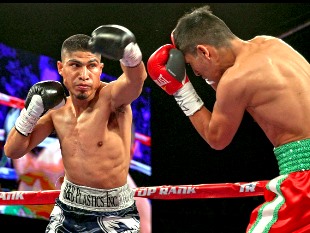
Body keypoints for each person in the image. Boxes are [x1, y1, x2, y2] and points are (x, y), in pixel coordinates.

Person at [147, 5, 310, 233]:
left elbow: (217, 138)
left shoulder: (236, 79)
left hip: (304, 174)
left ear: (204, 52)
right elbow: (233, 95)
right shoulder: (271, 44)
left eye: (192, 66)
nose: (195, 74)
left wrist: (181, 90)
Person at [4, 24, 147, 232]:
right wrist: (31, 112)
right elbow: (13, 151)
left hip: (113, 210)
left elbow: (135, 80)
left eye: (92, 65)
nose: (84, 74)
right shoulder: (57, 111)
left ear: (101, 69)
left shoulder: (113, 98)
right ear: (61, 68)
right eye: (75, 65)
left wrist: (129, 52)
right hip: (68, 204)